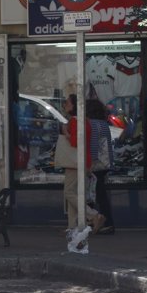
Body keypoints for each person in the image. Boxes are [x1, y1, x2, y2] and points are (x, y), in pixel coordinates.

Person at [61, 94, 105, 234]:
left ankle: (93, 215)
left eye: (67, 103)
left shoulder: (74, 122)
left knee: (69, 192)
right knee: (74, 193)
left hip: (74, 161)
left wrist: (65, 132)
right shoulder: (85, 121)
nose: (65, 105)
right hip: (84, 160)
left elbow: (74, 142)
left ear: (74, 106)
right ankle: (73, 227)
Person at [86, 98, 115, 235]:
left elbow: (93, 145)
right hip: (105, 163)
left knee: (92, 193)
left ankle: (98, 221)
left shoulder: (91, 124)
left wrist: (89, 163)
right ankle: (103, 222)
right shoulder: (104, 124)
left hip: (96, 164)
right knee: (99, 193)